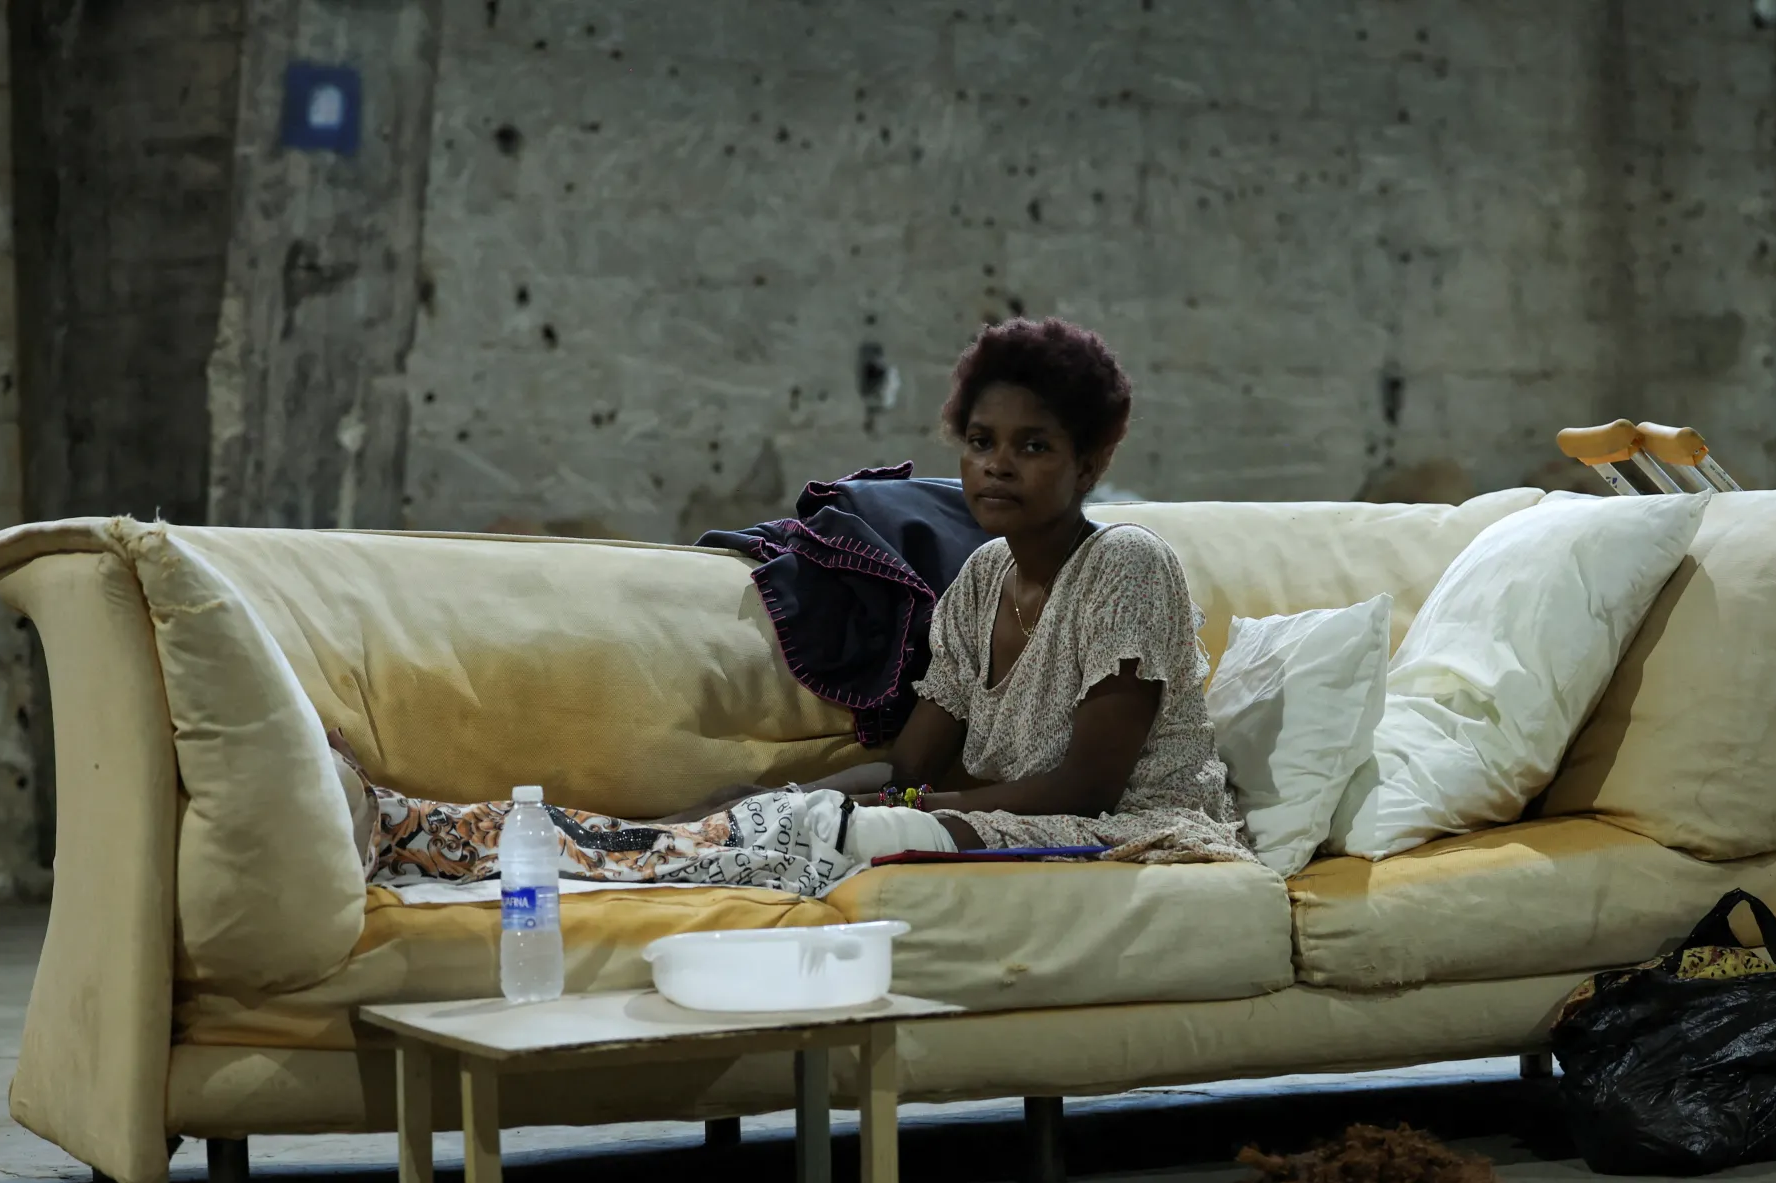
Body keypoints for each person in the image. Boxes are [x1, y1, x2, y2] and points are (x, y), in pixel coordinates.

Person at [343, 317, 1252, 896]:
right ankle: (432, 830)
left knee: (821, 836)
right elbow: (911, 760)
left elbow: (1089, 792)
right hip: (1006, 814)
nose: (996, 466)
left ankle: (446, 843)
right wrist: (786, 796)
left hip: (1134, 833)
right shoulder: (979, 580)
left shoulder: (1125, 565)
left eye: (1033, 446)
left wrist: (909, 811)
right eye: (980, 442)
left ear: (1090, 465)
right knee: (762, 823)